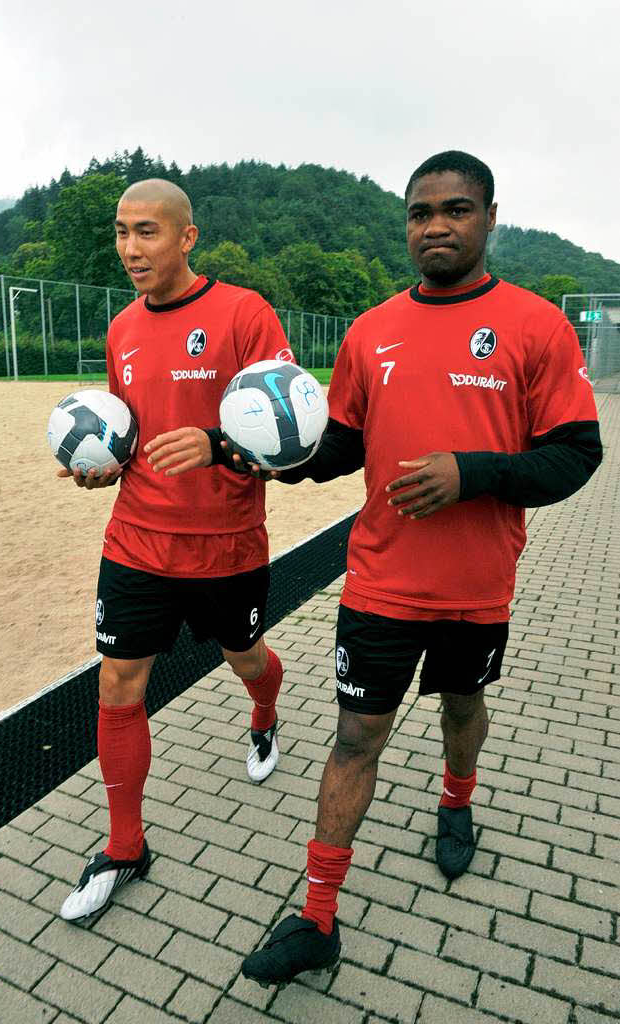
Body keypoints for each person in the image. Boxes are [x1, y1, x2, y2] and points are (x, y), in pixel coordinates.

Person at [234, 150, 603, 986]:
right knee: (354, 735)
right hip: (377, 581)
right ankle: (318, 916)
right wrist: (275, 456)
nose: (434, 225)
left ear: (489, 218)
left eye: (454, 209)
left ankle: (455, 801)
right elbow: (343, 445)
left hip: (476, 586)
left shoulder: (534, 325)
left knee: (461, 706)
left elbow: (576, 456)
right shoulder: (371, 330)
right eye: (419, 212)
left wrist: (470, 473)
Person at [56, 179, 290, 921]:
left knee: (245, 657)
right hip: (136, 542)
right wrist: (104, 469)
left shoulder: (244, 313)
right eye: (122, 232)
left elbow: (286, 435)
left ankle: (263, 713)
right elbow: (128, 430)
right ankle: (126, 845)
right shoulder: (121, 328)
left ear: (187, 237)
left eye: (147, 231)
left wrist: (219, 445)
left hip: (227, 544)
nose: (130, 248)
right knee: (119, 686)